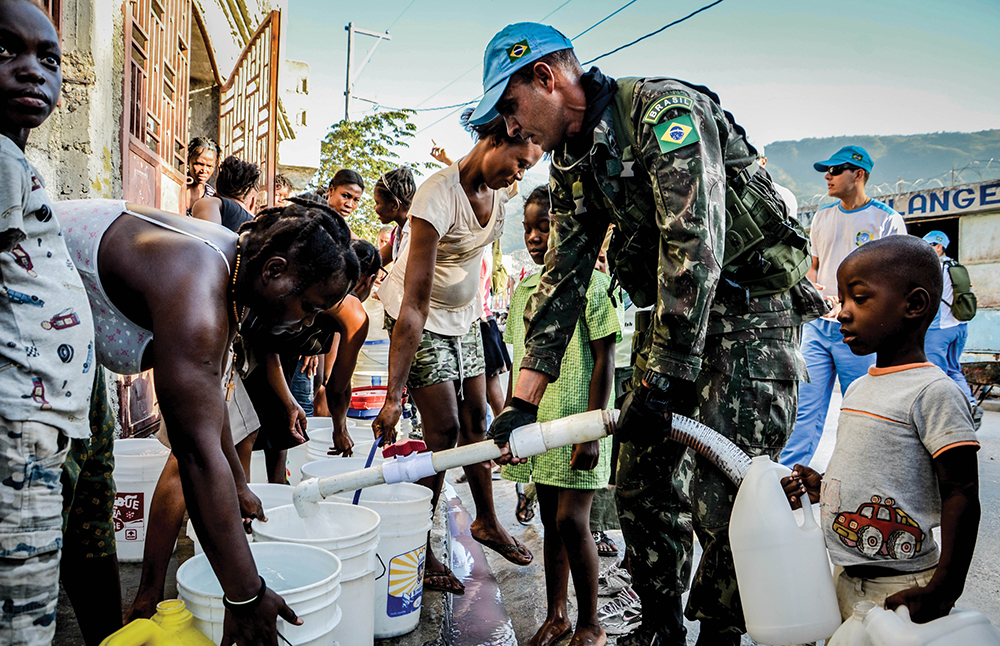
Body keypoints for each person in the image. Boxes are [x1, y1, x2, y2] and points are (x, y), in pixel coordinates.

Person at [477, 23, 826, 645]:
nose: (510, 129)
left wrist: (663, 375)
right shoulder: (572, 162)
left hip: (747, 315)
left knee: (729, 496)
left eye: (509, 107)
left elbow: (694, 244)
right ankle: (661, 627)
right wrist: (524, 400)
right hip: (672, 324)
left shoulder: (664, 111)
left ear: (546, 78)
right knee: (641, 483)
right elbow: (562, 279)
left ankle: (719, 634)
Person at [55, 196, 359, 644]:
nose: (306, 323)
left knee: (91, 498)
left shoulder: (234, 268)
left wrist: (238, 483)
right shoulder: (198, 289)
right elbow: (194, 453)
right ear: (274, 271)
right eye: (309, 306)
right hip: (22, 326)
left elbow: (210, 397)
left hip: (67, 345)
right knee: (42, 512)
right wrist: (245, 596)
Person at [372, 110, 543, 595]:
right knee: (442, 433)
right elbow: (413, 305)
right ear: (498, 140)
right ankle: (418, 547)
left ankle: (487, 521)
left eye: (526, 170)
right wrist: (392, 395)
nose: (518, 175)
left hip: (465, 317)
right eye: (517, 163)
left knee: (477, 424)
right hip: (422, 319)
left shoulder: (499, 185)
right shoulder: (437, 196)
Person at [783, 235, 980, 624]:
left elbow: (961, 493)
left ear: (914, 305)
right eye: (842, 300)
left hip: (903, 586)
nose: (842, 312)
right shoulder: (858, 387)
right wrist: (824, 488)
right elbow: (879, 472)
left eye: (859, 298)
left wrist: (944, 589)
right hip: (845, 578)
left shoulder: (934, 392)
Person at [0, 2, 96, 641]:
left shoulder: (15, 160)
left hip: (34, 423)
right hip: (16, 424)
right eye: (5, 52)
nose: (33, 71)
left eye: (50, 59)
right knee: (22, 615)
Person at [502, 187, 621, 646]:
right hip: (540, 425)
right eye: (528, 227)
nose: (534, 237)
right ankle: (557, 615)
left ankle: (591, 621)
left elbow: (605, 358)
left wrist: (591, 430)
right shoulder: (526, 291)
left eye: (544, 227)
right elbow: (519, 364)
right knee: (551, 521)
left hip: (581, 424)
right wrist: (511, 425)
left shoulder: (590, 284)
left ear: (567, 231)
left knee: (574, 521)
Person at [780, 146, 907, 469]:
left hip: (862, 332)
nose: (828, 176)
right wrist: (812, 291)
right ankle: (789, 478)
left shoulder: (886, 220)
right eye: (827, 170)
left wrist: (859, 306)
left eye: (836, 170)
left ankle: (861, 474)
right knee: (805, 407)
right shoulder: (823, 217)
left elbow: (896, 282)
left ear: (858, 174)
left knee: (860, 406)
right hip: (819, 327)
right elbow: (813, 268)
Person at [921, 231, 980, 420]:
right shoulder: (956, 266)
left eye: (929, 246)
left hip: (939, 330)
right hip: (960, 328)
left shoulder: (933, 268)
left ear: (939, 247)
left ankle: (942, 416)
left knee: (936, 373)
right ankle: (970, 403)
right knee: (953, 368)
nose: (925, 250)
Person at [191, 155, 260, 232]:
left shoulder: (210, 204)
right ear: (252, 202)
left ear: (215, 194)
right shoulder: (261, 225)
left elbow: (208, 240)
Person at [185, 136, 220, 216]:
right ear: (188, 160)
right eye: (199, 164)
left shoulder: (213, 198)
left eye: (209, 166)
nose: (204, 170)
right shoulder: (175, 185)